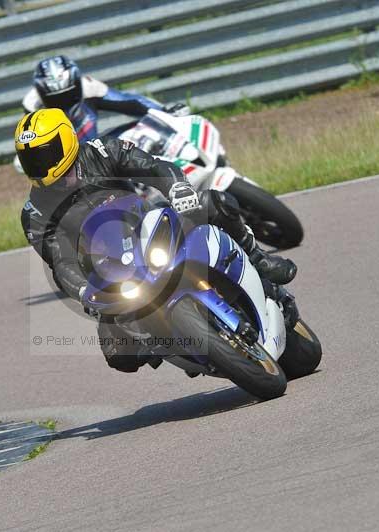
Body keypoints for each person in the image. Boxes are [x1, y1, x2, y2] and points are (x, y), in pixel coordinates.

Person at [17, 109, 297, 373]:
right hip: (110, 271)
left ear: (67, 140)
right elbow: (60, 261)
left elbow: (155, 167)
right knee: (118, 355)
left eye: (45, 155)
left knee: (215, 202)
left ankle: (258, 260)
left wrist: (178, 188)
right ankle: (175, 343)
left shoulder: (103, 152)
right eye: (32, 160)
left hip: (153, 228)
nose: (40, 166)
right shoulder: (36, 212)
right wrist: (83, 291)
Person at [22, 55, 189, 142]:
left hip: (97, 154)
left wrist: (165, 113)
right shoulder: (32, 106)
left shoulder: (89, 87)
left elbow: (129, 102)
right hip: (65, 168)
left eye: (67, 94)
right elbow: (29, 141)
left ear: (77, 85)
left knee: (143, 130)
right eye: (56, 99)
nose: (64, 102)